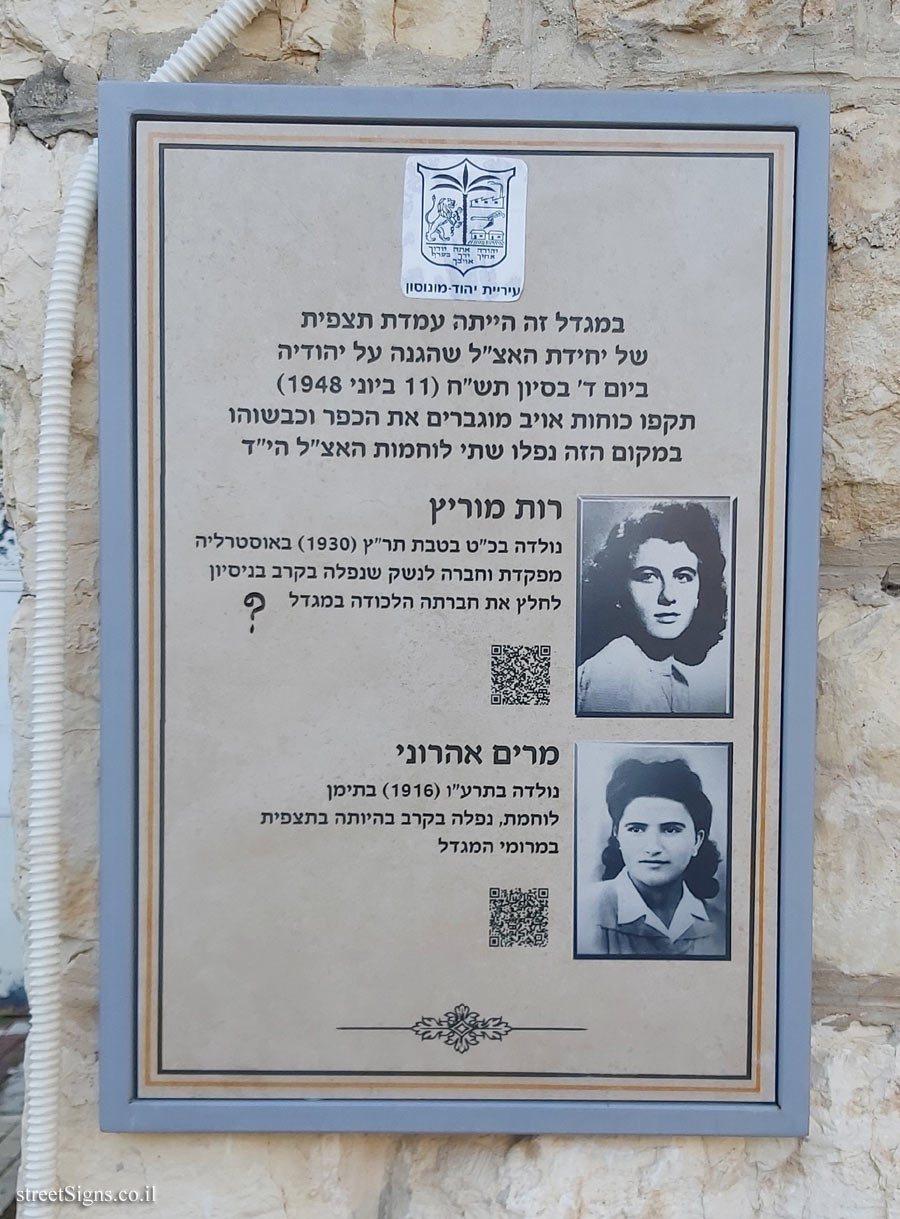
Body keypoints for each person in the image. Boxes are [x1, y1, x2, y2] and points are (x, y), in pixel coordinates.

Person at [576, 501, 729, 715]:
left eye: (683, 576)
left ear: (700, 592)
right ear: (619, 591)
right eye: (648, 577)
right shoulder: (616, 670)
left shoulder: (675, 678)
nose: (668, 596)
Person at [577, 757, 727, 957]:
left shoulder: (722, 926)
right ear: (617, 835)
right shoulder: (581, 913)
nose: (653, 847)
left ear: (697, 841)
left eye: (671, 830)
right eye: (637, 829)